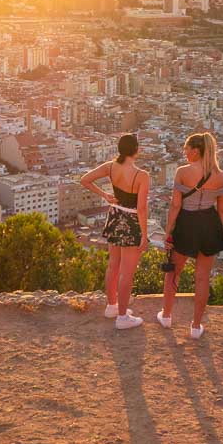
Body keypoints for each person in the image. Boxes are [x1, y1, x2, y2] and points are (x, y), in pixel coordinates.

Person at [158, 132, 223, 339]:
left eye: (187, 149)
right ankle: (196, 327)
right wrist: (215, 229)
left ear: (196, 151)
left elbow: (175, 205)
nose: (184, 152)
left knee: (174, 272)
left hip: (186, 222)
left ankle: (167, 315)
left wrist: (169, 231)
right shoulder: (221, 176)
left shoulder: (183, 172)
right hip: (209, 223)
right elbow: (222, 211)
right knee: (202, 278)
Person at [80, 133, 149, 329]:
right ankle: (122, 318)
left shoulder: (110, 167)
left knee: (113, 265)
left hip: (115, 216)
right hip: (131, 221)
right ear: (136, 150)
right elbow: (142, 208)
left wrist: (105, 195)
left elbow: (85, 179)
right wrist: (144, 235)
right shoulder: (142, 175)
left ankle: (112, 307)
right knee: (127, 273)